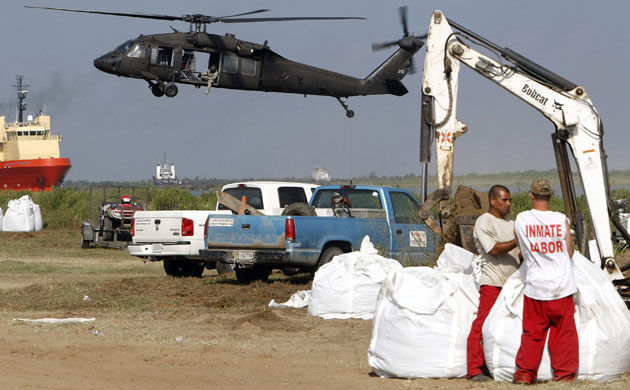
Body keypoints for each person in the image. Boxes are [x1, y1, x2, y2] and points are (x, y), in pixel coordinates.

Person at [513, 179, 578, 384]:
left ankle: (524, 375)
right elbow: (569, 251)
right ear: (551, 196)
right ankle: (565, 376)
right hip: (561, 287)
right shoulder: (561, 219)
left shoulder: (522, 219)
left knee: (532, 335)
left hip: (535, 288)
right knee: (563, 334)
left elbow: (522, 250)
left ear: (531, 196)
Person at [467, 184, 521, 382]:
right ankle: (474, 369)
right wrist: (518, 240)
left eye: (509, 200)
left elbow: (520, 254)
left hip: (512, 284)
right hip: (493, 282)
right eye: (504, 200)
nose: (508, 203)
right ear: (492, 200)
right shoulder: (484, 222)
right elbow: (494, 249)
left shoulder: (512, 224)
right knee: (482, 325)